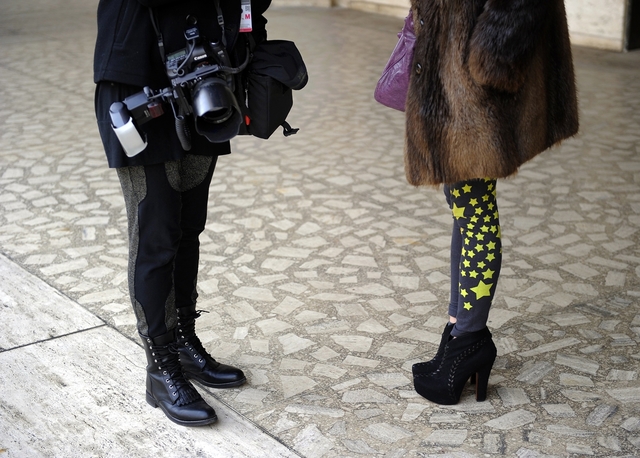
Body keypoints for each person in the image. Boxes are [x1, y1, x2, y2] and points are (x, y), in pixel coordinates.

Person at [93, 0, 271, 426]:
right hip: (139, 78)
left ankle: (185, 343)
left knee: (188, 227)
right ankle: (161, 368)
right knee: (156, 234)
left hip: (206, 69)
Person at [405, 0, 579, 405]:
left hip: (473, 79)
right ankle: (457, 330)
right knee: (462, 201)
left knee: (474, 207)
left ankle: (469, 338)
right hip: (455, 67)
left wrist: (491, 60)